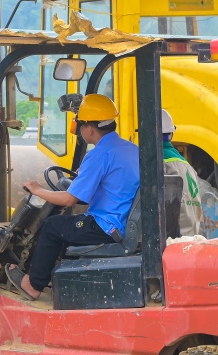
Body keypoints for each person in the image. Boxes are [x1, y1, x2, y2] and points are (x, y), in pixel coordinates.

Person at [10, 94, 139, 300]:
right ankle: (54, 274)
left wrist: (37, 190)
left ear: (90, 128)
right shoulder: (131, 150)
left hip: (106, 226)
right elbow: (112, 185)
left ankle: (34, 284)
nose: (78, 129)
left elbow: (70, 200)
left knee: (53, 226)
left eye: (80, 124)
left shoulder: (98, 155)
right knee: (66, 226)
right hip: (124, 222)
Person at [161, 109, 218, 237]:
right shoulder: (187, 166)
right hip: (189, 238)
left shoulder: (156, 162)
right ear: (171, 135)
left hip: (170, 240)